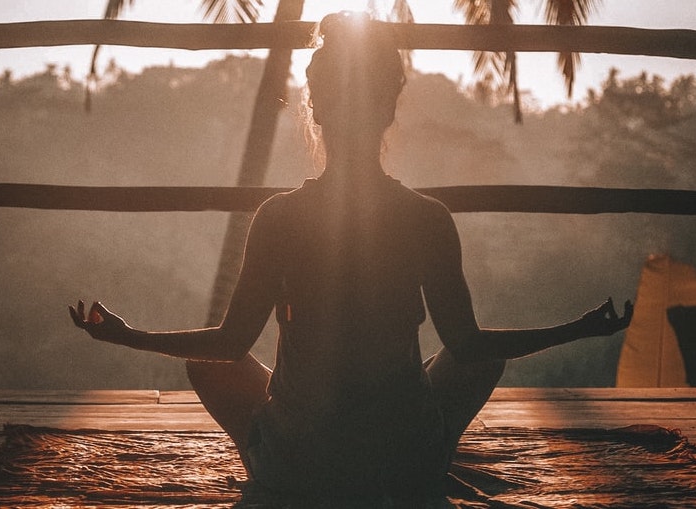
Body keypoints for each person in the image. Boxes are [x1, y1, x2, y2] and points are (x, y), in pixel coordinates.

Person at [70, 12, 632, 507]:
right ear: (389, 109)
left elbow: (228, 345)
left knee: (207, 365)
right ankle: (428, 462)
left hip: (303, 464)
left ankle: (273, 468)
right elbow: (469, 345)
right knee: (481, 359)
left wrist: (129, 335)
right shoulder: (427, 217)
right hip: (401, 460)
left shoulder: (280, 217)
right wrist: (577, 329)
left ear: (316, 109)